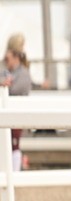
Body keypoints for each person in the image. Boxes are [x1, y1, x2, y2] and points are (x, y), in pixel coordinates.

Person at [3, 36, 33, 171]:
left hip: (14, 115)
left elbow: (15, 90)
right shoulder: (7, 71)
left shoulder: (23, 74)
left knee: (13, 146)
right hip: (7, 113)